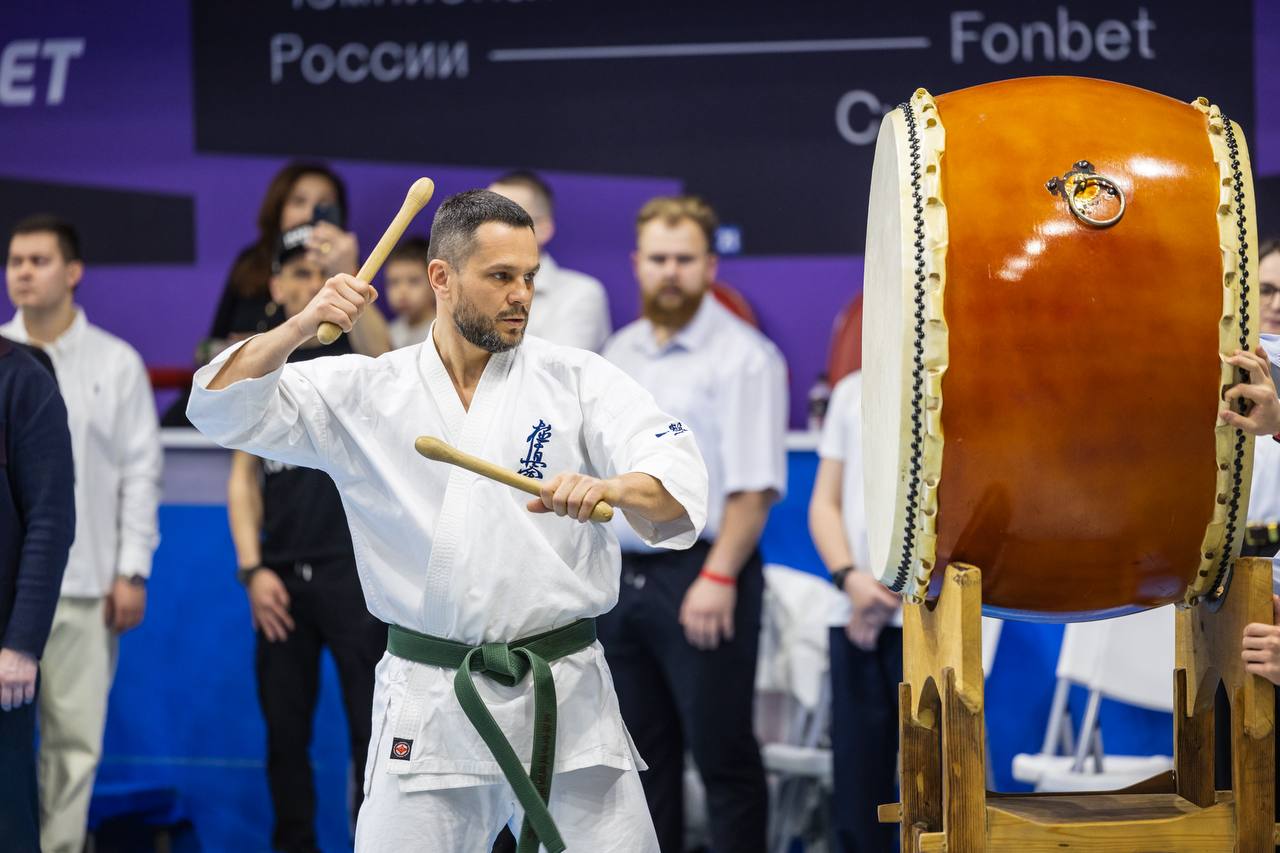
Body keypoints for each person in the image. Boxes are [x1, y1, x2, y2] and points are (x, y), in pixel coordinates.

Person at [187, 189, 708, 852]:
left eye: (530, 277)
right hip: (431, 702)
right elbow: (218, 407)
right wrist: (301, 325)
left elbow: (675, 474)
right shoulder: (370, 390)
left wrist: (613, 486)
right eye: (500, 277)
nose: (521, 294)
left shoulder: (576, 379)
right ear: (442, 277)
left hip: (564, 696)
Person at [599, 195, 787, 852]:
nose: (670, 272)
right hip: (621, 582)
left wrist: (717, 574)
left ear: (709, 265)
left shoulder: (746, 357)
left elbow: (754, 487)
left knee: (722, 755)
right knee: (640, 764)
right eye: (658, 259)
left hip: (704, 573)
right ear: (637, 264)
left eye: (684, 259)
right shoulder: (616, 353)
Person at [2, 214, 163, 853]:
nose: (23, 271)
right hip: (7, 596)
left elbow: (141, 474)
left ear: (73, 273)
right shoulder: (4, 363)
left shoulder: (116, 362)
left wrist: (131, 569)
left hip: (85, 587)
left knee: (72, 748)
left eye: (39, 260)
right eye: (15, 260)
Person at [226, 230, 388, 852]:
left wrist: (351, 287)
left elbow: (383, 351)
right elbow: (242, 477)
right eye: (295, 274)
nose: (306, 285)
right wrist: (252, 569)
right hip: (282, 576)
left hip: (355, 575)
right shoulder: (261, 362)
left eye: (317, 274)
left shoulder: (360, 363)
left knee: (371, 731)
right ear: (274, 285)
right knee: (284, 733)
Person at [807, 369, 902, 853]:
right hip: (853, 613)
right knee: (858, 785)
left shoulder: (964, 380)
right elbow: (824, 502)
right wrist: (850, 578)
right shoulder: (851, 391)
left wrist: (898, 590)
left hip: (932, 618)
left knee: (944, 783)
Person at [0, 335, 75, 853]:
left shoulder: (23, 380)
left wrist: (22, 642)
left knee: (7, 821)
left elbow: (50, 522)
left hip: (2, 658)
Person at [205, 161, 390, 360]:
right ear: (276, 285)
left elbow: (383, 356)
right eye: (299, 201)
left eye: (324, 204)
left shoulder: (345, 259)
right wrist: (247, 349)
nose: (310, 213)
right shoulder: (251, 264)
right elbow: (209, 350)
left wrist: (349, 270)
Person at [488, 170, 611, 352]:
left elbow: (556, 371)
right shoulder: (470, 284)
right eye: (483, 219)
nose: (490, 229)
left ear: (543, 229)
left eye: (505, 218)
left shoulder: (580, 294)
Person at [383, 236, 435, 349]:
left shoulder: (442, 331)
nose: (402, 291)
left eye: (413, 281)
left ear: (435, 283)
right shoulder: (391, 332)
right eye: (394, 282)